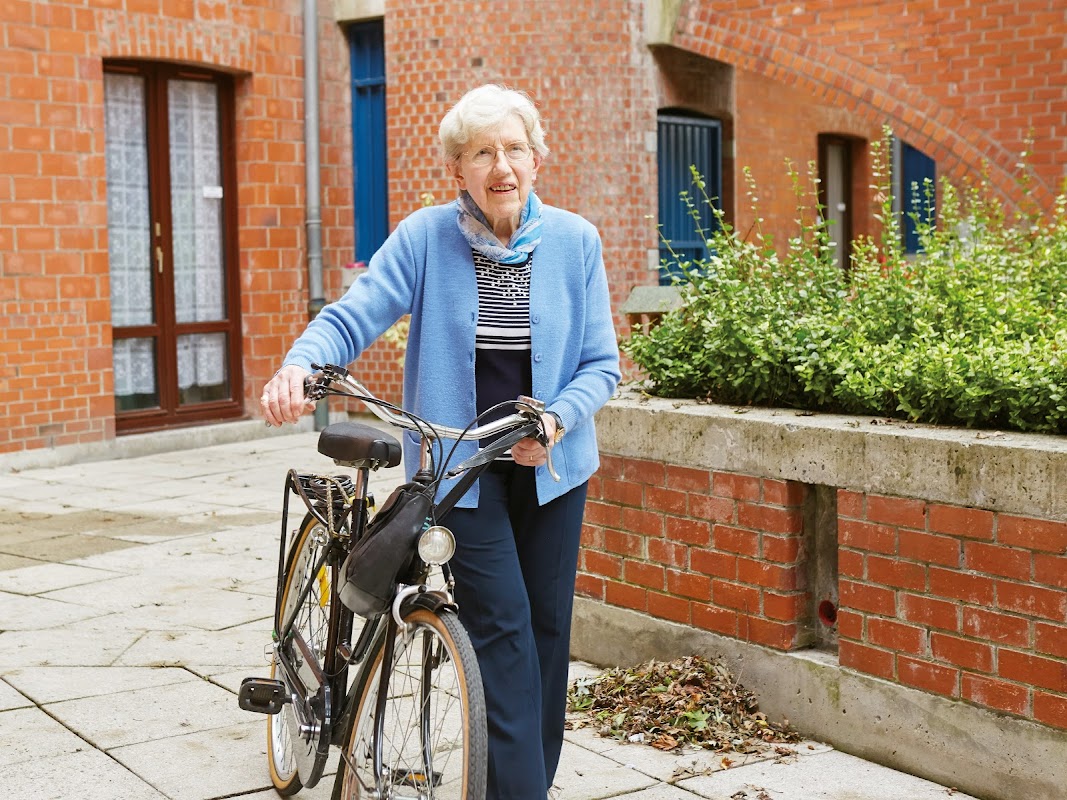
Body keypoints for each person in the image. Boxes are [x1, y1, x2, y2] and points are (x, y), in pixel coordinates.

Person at [260, 83, 620, 799]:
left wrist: (554, 420)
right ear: (458, 170)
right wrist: (300, 363)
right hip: (464, 467)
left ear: (537, 158)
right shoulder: (427, 237)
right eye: (482, 152)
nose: (501, 166)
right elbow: (355, 312)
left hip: (552, 466)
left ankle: (522, 782)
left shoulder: (576, 241)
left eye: (514, 148)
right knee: (506, 634)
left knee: (547, 639)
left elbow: (600, 365)